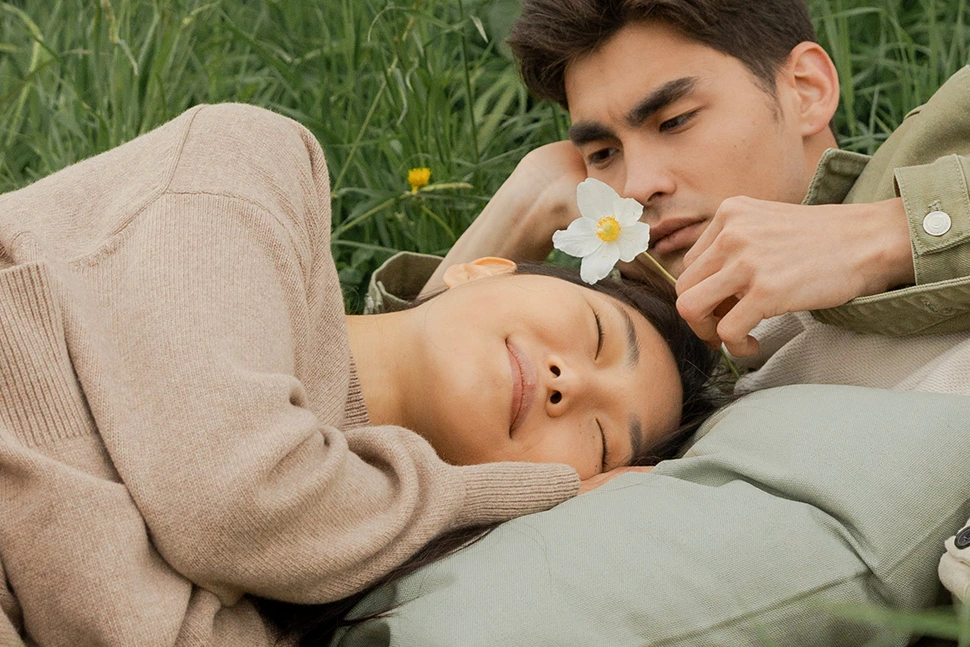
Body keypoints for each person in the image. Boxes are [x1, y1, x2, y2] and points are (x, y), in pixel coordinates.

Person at [0, 103, 720, 645]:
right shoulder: (251, 170)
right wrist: (553, 483)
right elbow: (232, 500)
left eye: (597, 440)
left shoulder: (322, 577)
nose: (570, 385)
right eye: (594, 335)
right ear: (483, 268)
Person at [368, 0, 970, 612]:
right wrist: (527, 203)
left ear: (806, 91)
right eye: (602, 154)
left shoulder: (936, 150)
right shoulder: (628, 398)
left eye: (675, 120)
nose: (633, 186)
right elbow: (355, 421)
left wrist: (887, 236)